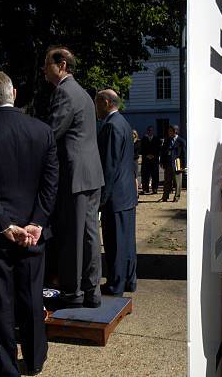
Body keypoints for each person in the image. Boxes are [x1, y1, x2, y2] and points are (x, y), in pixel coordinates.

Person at [0, 71, 58, 377]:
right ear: (14, 92)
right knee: (32, 297)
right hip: (32, 232)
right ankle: (34, 360)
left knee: (1, 300)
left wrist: (5, 226)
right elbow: (51, 182)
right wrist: (37, 223)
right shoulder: (42, 130)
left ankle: (7, 366)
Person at [42, 46, 104, 308]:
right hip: (91, 175)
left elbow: (50, 133)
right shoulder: (83, 94)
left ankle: (72, 292)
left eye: (47, 64)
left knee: (72, 236)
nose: (44, 70)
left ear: (62, 65)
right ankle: (91, 291)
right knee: (90, 235)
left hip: (74, 175)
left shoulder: (64, 93)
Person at [95, 89, 138, 296]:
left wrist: (102, 198)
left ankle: (115, 284)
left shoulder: (111, 126)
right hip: (126, 194)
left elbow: (109, 166)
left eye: (97, 103)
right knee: (127, 241)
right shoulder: (123, 123)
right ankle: (129, 280)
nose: (95, 108)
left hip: (116, 196)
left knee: (115, 243)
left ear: (105, 102)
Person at [159, 125, 186, 202]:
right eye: (168, 131)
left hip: (177, 163)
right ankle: (165, 197)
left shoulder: (181, 141)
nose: (169, 132)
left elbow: (184, 154)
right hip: (167, 163)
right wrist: (161, 162)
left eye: (171, 131)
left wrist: (184, 165)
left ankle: (176, 197)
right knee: (167, 181)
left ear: (175, 131)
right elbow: (163, 152)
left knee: (178, 182)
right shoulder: (167, 140)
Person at [140, 125, 160, 194]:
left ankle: (155, 188)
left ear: (153, 131)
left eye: (151, 130)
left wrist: (153, 155)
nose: (150, 132)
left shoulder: (157, 139)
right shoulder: (144, 139)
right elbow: (141, 149)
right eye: (149, 130)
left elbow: (158, 149)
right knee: (145, 175)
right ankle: (145, 189)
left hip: (154, 160)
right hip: (146, 160)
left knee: (155, 175)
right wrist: (147, 155)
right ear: (147, 131)